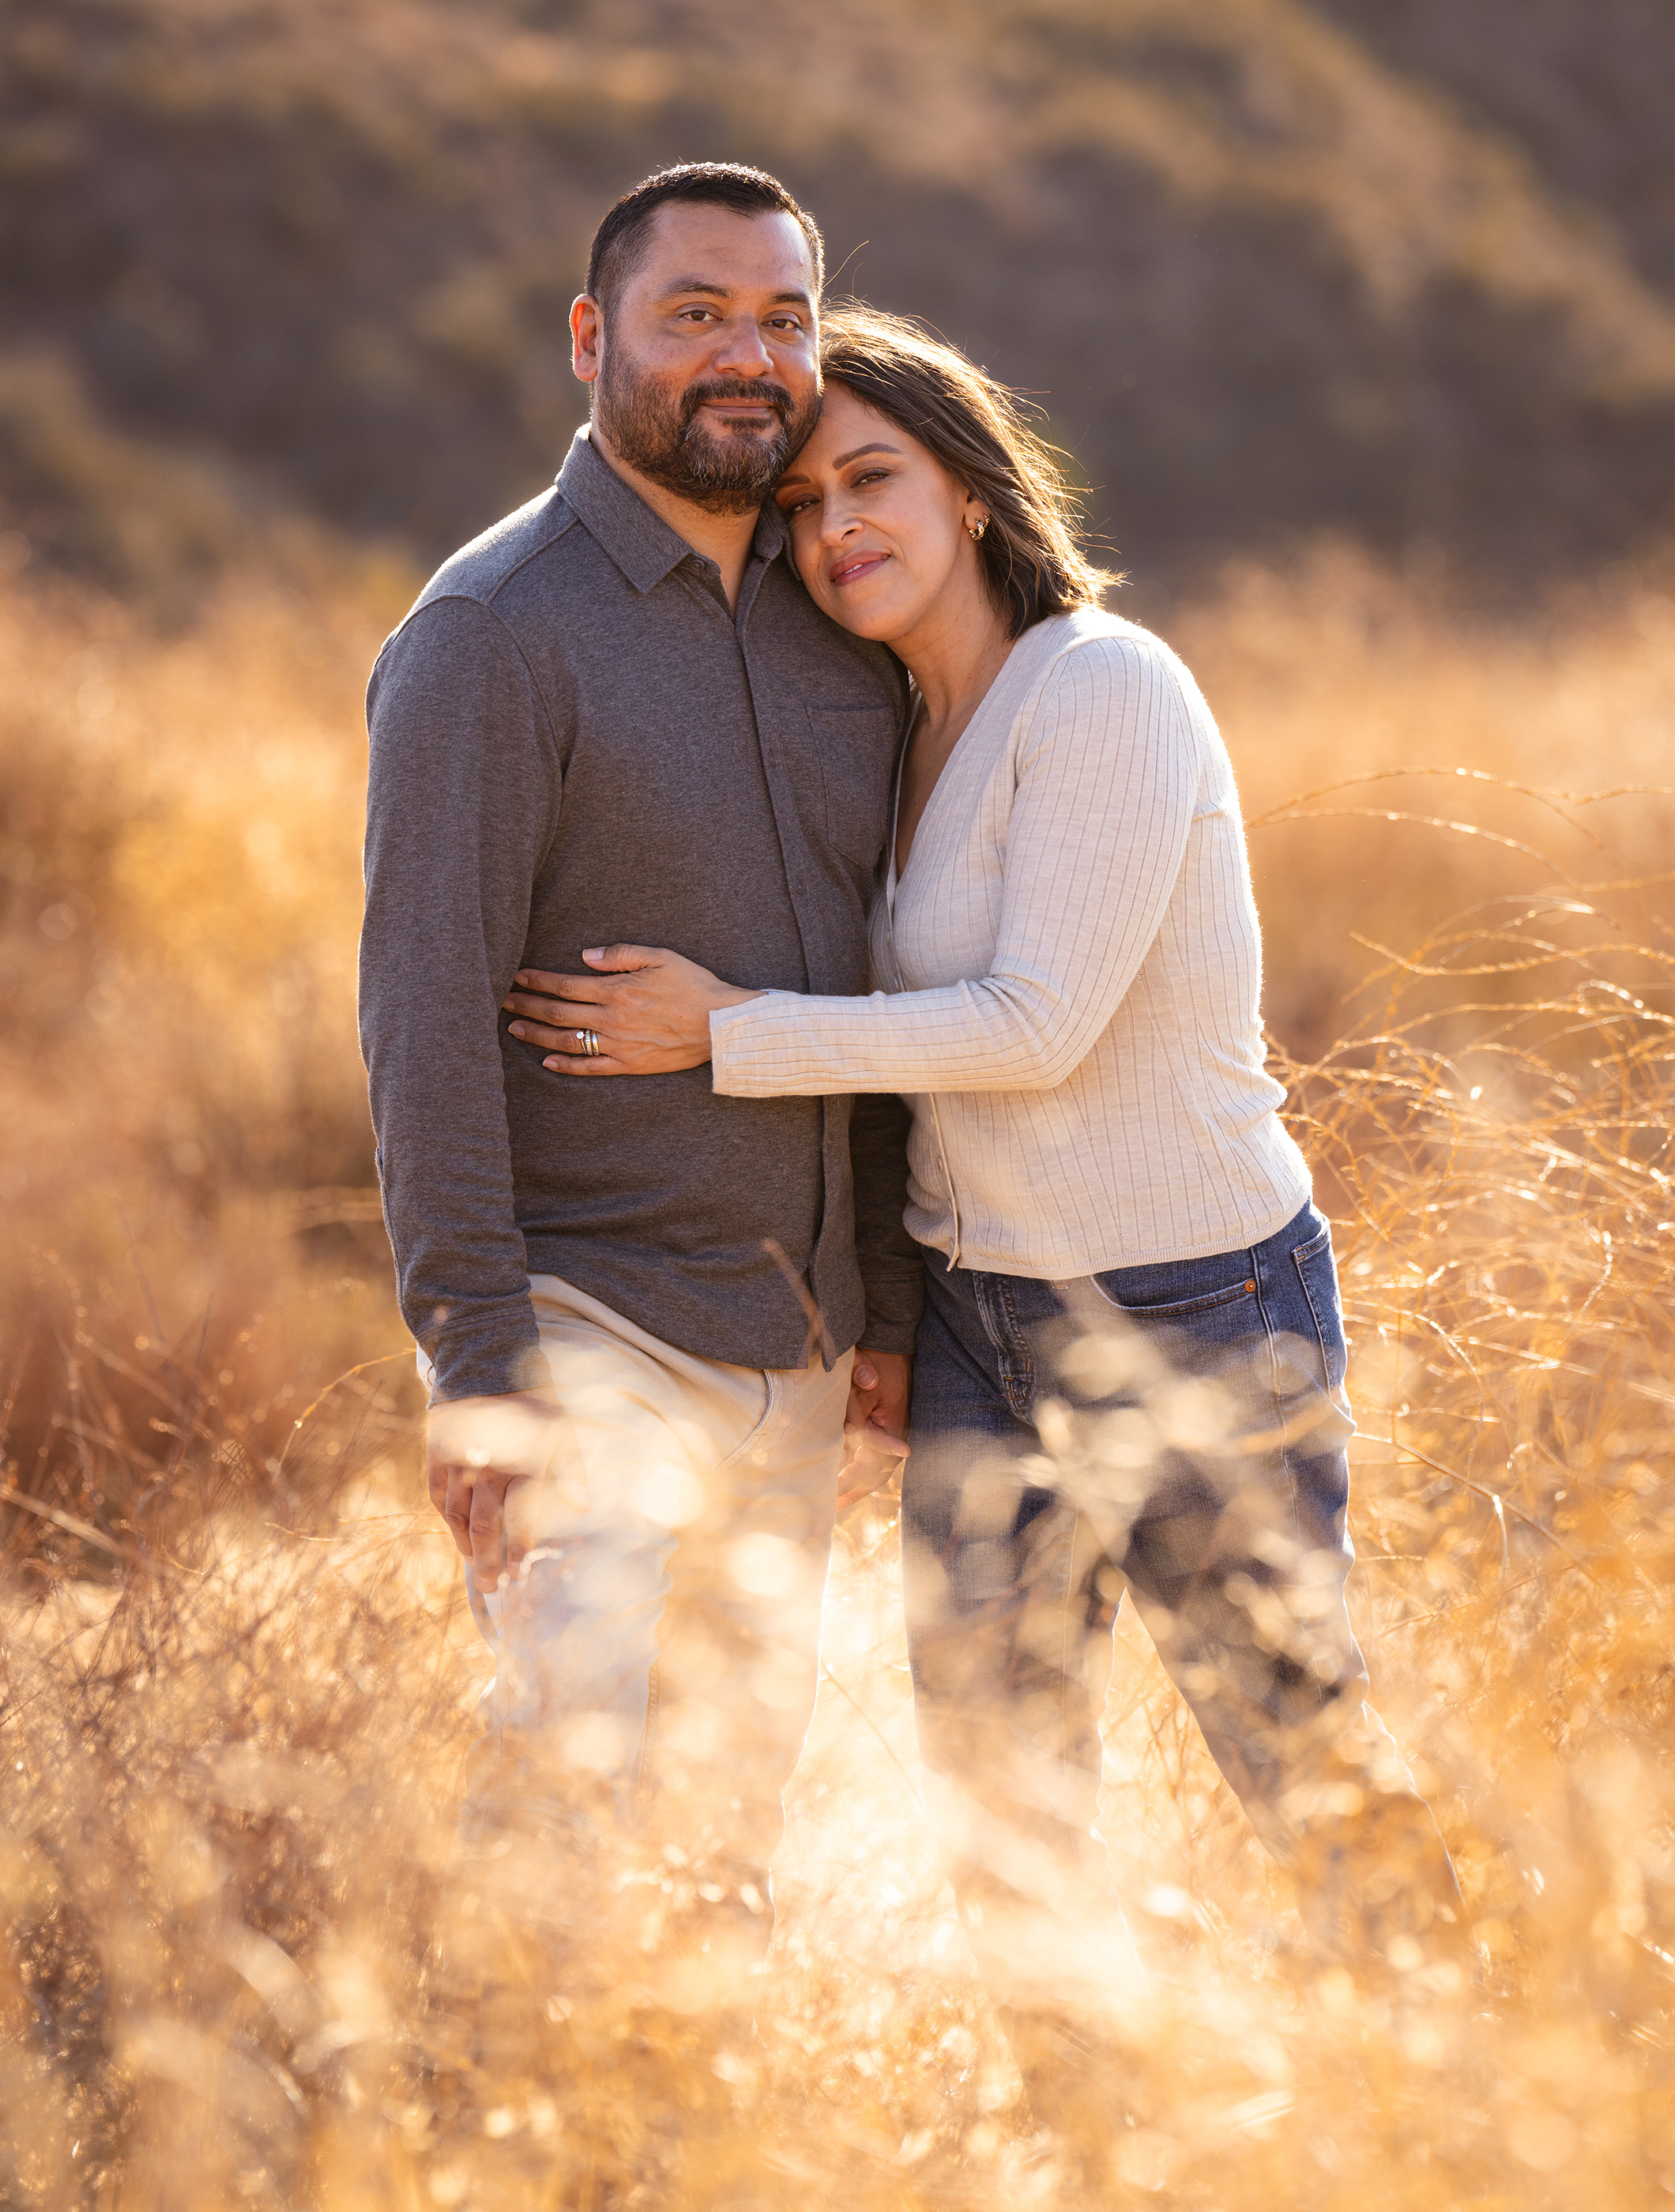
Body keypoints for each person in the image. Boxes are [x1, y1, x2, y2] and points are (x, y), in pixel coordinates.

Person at [497, 308, 1474, 2022]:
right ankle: (1076, 2119)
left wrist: (728, 1028)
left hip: (1188, 1299)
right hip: (974, 1321)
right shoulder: (898, 728)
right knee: (998, 1782)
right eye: (798, 503)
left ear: (970, 484)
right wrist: (884, 1300)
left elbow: (1034, 1027)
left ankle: (1466, 2066)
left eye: (869, 479)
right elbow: (922, 1083)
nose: (832, 529)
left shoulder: (1101, 685)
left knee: (1290, 1743)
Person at [358, 168, 924, 1993]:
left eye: (780, 317)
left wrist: (884, 1309)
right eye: (696, 314)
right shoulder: (491, 632)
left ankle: (665, 2145)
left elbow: (877, 979)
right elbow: (421, 1017)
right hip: (592, 1315)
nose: (747, 357)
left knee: (727, 1825)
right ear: (595, 340)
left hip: (798, 1333)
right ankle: (464, 2132)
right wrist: (479, 1371)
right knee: (567, 1787)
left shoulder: (837, 624)